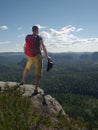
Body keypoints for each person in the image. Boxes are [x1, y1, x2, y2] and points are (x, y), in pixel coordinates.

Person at [19, 25, 52, 95]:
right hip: (37, 56)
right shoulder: (39, 38)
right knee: (38, 73)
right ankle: (36, 89)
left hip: (30, 56)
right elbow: (44, 47)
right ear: (36, 30)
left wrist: (26, 52)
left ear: (32, 30)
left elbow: (25, 46)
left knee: (27, 68)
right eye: (38, 30)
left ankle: (22, 80)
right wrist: (47, 56)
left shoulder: (28, 37)